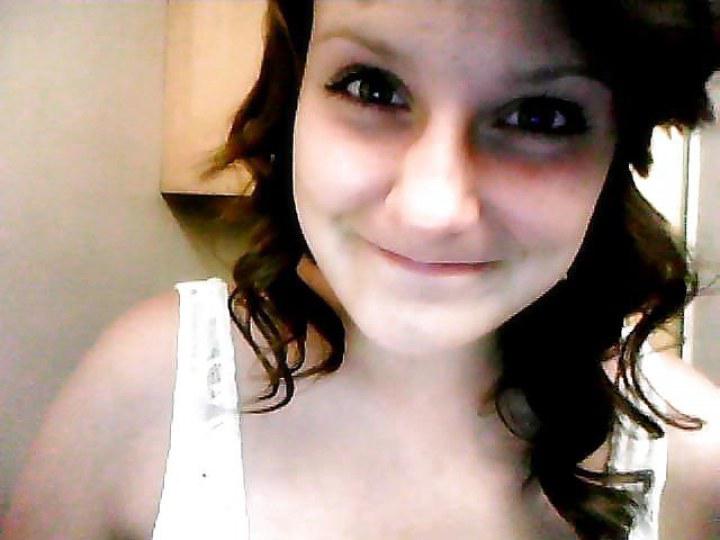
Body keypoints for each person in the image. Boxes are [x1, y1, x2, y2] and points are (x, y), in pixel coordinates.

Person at [4, 0, 720, 538]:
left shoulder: (696, 457)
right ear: (292, 96)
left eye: (541, 115)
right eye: (372, 87)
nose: (432, 207)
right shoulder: (145, 389)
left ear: (618, 152)